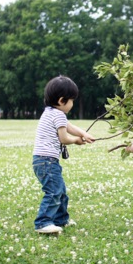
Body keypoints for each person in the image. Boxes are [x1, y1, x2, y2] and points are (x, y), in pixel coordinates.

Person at [33, 75, 95, 234]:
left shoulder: (50, 112)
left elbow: (69, 126)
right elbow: (64, 137)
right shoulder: (58, 114)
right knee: (54, 191)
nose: (72, 104)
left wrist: (84, 134)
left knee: (60, 191)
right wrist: (76, 140)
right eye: (72, 100)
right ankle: (43, 222)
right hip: (47, 161)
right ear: (62, 100)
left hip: (43, 161)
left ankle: (61, 219)